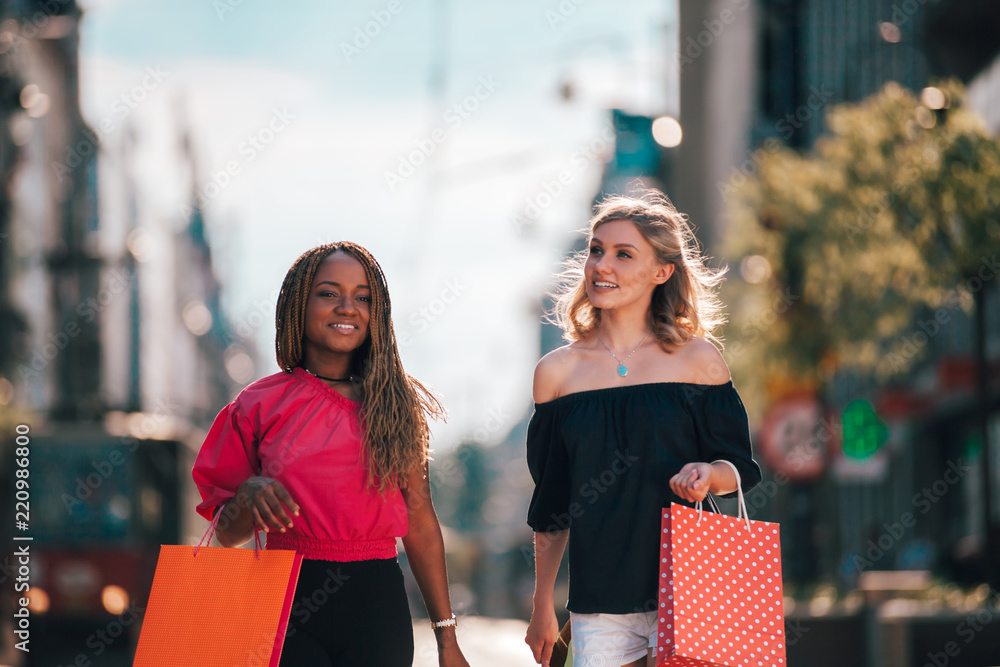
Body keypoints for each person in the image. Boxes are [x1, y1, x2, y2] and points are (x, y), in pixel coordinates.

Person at [192, 242, 470, 667]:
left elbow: (420, 523)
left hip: (378, 607)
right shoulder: (257, 404)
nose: (347, 307)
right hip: (283, 602)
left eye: (362, 297)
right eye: (328, 293)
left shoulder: (396, 406)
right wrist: (248, 493)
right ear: (298, 305)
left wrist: (447, 638)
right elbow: (227, 534)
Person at [523, 191, 763, 667]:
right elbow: (552, 506)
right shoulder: (556, 374)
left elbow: (738, 468)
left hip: (695, 587)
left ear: (662, 271)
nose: (601, 265)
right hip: (599, 603)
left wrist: (707, 473)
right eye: (596, 250)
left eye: (623, 254)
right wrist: (541, 606)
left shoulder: (698, 361)